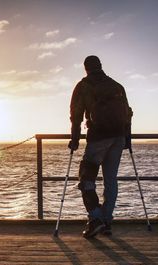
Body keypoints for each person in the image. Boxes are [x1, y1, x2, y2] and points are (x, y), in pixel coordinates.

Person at [69, 55, 132, 238]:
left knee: (86, 178)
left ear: (86, 68)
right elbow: (127, 113)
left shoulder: (83, 86)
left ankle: (95, 219)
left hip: (98, 138)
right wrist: (127, 139)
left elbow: (76, 115)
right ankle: (107, 222)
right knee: (110, 180)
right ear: (101, 66)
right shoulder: (117, 86)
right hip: (118, 137)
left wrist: (75, 139)